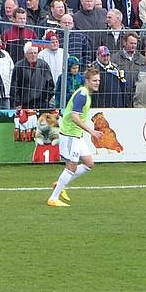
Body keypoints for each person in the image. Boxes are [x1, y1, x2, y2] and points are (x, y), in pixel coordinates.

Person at [47, 66, 104, 207]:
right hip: (70, 135)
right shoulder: (82, 95)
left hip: (76, 135)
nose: (97, 83)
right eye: (94, 80)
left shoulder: (85, 94)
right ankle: (53, 198)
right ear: (87, 80)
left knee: (89, 163)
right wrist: (91, 131)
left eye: (98, 80)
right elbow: (74, 116)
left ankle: (60, 184)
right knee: (71, 166)